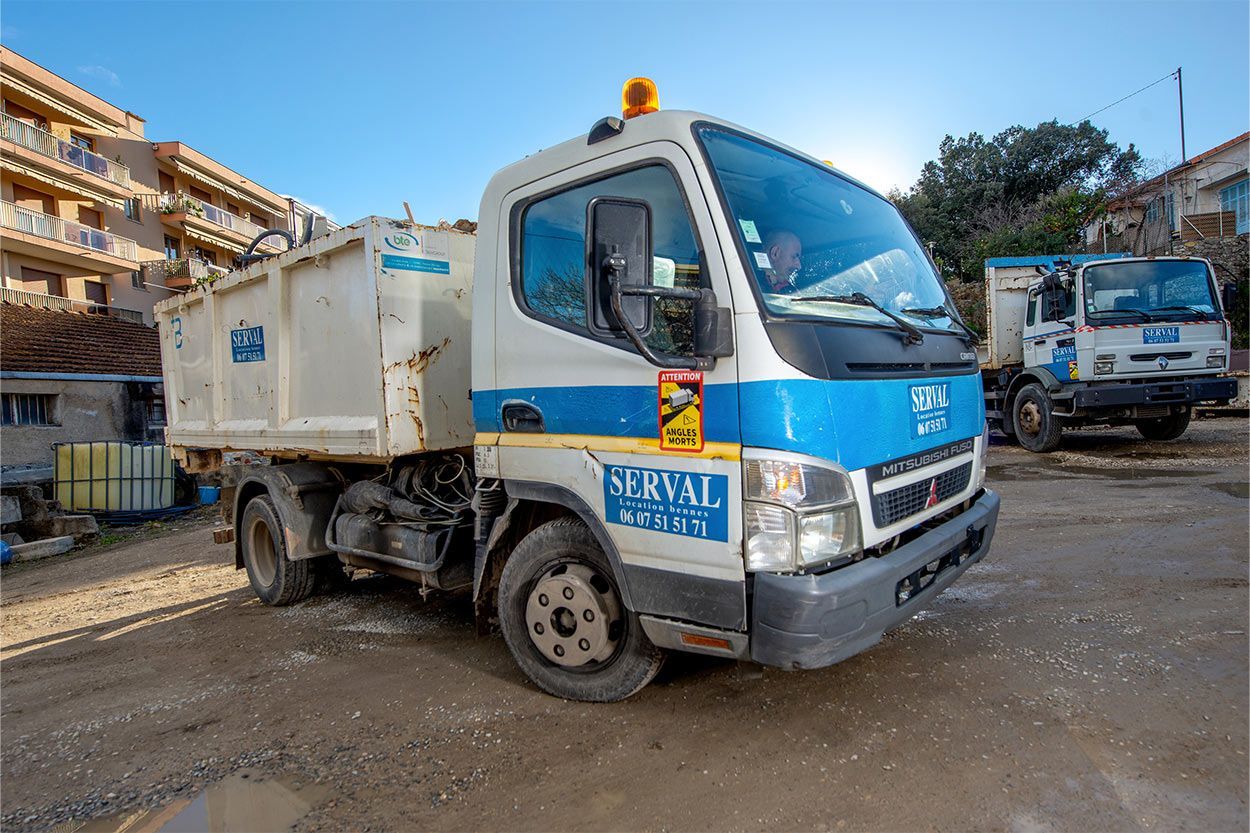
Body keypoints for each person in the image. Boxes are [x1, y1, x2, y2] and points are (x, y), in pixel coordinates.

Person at [760, 229, 802, 293]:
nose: (799, 266)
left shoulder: (789, 289)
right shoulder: (750, 284)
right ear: (775, 253)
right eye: (794, 257)